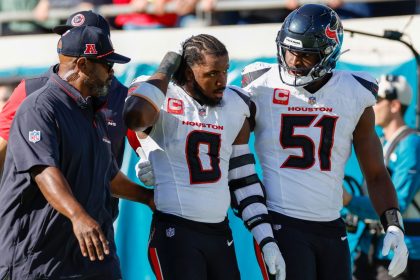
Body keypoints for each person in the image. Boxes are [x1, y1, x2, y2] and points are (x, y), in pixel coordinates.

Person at [239, 4, 408, 280]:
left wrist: (393, 223)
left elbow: (376, 173)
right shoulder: (261, 85)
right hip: (283, 222)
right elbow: (224, 143)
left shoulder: (354, 92)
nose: (293, 61)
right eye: (290, 50)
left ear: (328, 54)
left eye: (305, 55)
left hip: (332, 226)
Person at [123, 34, 285, 280]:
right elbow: (134, 119)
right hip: (176, 230)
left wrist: (266, 238)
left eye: (225, 71)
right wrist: (167, 65)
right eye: (212, 74)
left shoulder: (236, 103)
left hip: (220, 234)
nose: (222, 81)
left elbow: (243, 179)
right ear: (188, 73)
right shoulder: (164, 95)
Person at [0, 25, 154, 280]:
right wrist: (78, 215)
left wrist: (148, 197)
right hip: (39, 258)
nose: (112, 73)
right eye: (106, 65)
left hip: (92, 256)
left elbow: (108, 176)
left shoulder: (94, 111)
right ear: (82, 65)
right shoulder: (39, 108)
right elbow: (43, 170)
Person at [0, 10, 129, 220]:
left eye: (86, 34)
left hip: (97, 221)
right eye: (70, 33)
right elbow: (3, 150)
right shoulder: (30, 91)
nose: (74, 40)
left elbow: (111, 172)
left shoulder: (121, 97)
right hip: (38, 222)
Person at [343, 74, 420, 280]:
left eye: (377, 100)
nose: (371, 105)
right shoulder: (384, 141)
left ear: (394, 105)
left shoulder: (411, 144)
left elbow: (400, 203)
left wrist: (350, 201)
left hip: (402, 253)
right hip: (373, 248)